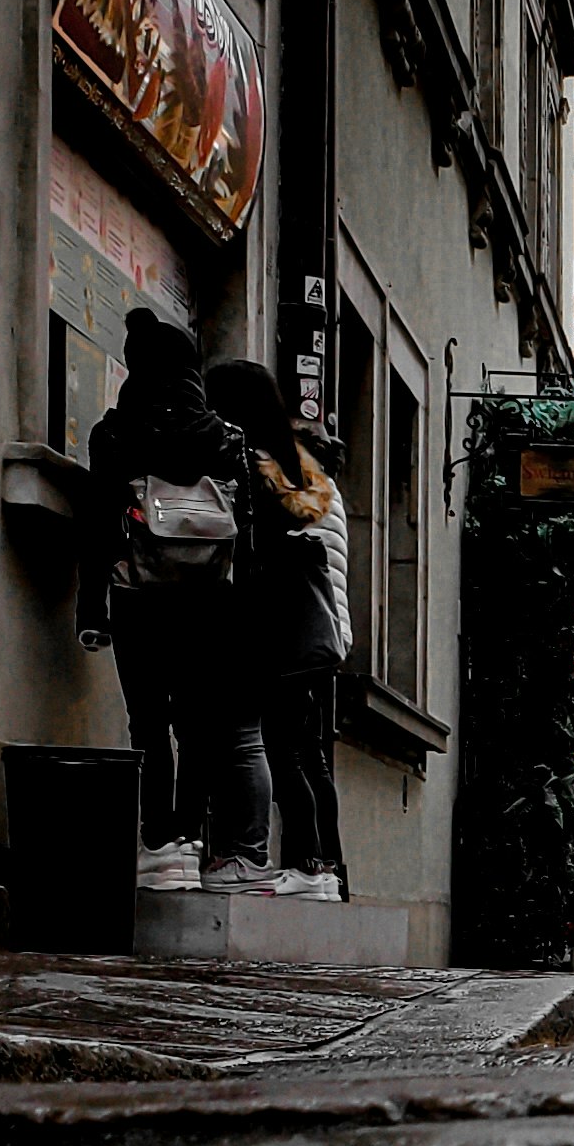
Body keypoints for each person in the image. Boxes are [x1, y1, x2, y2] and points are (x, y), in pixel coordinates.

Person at [77, 313, 250, 892]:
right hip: (211, 603)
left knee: (147, 720)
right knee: (198, 722)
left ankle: (157, 844)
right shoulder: (228, 440)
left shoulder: (116, 433)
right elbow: (247, 536)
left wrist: (90, 612)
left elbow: (98, 528)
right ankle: (190, 841)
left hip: (137, 596)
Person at [208, 362, 346, 900]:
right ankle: (322, 869)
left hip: (279, 629)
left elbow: (259, 551)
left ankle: (307, 866)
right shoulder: (304, 469)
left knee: (279, 748)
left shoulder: (252, 466)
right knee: (303, 753)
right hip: (315, 633)